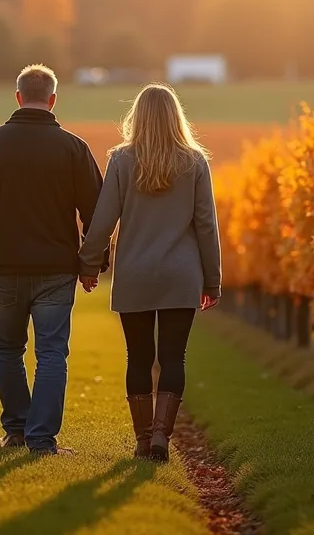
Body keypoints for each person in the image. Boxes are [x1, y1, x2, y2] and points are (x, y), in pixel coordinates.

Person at [0, 64, 106, 456]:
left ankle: (17, 431)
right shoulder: (74, 148)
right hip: (57, 268)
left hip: (4, 267)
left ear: (18, 97)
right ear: (53, 99)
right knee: (52, 352)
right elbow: (98, 212)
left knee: (8, 349)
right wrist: (93, 262)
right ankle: (42, 439)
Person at [78, 83, 221, 462]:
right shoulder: (195, 162)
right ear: (177, 117)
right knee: (174, 358)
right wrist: (213, 279)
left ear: (136, 117)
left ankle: (142, 440)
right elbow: (206, 225)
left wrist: (89, 263)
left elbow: (103, 220)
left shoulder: (121, 161)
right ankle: (161, 436)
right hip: (181, 274)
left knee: (138, 358)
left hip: (135, 274)